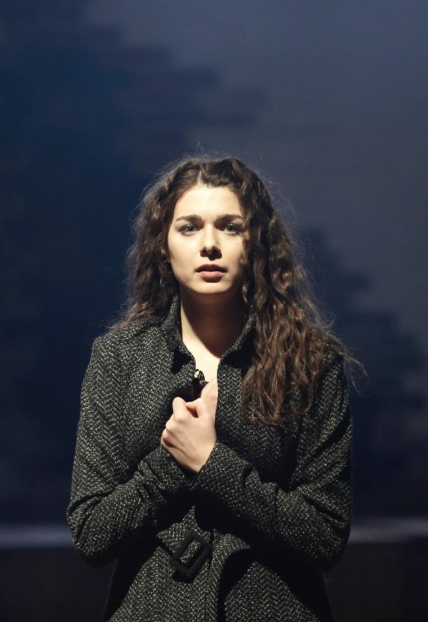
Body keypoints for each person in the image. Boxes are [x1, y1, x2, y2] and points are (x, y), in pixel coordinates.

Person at [67, 156, 360, 622]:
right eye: (189, 227)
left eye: (229, 227)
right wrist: (171, 463)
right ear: (163, 246)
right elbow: (91, 532)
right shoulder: (119, 358)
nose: (209, 245)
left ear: (256, 242)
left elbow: (324, 536)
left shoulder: (311, 362)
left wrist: (211, 462)